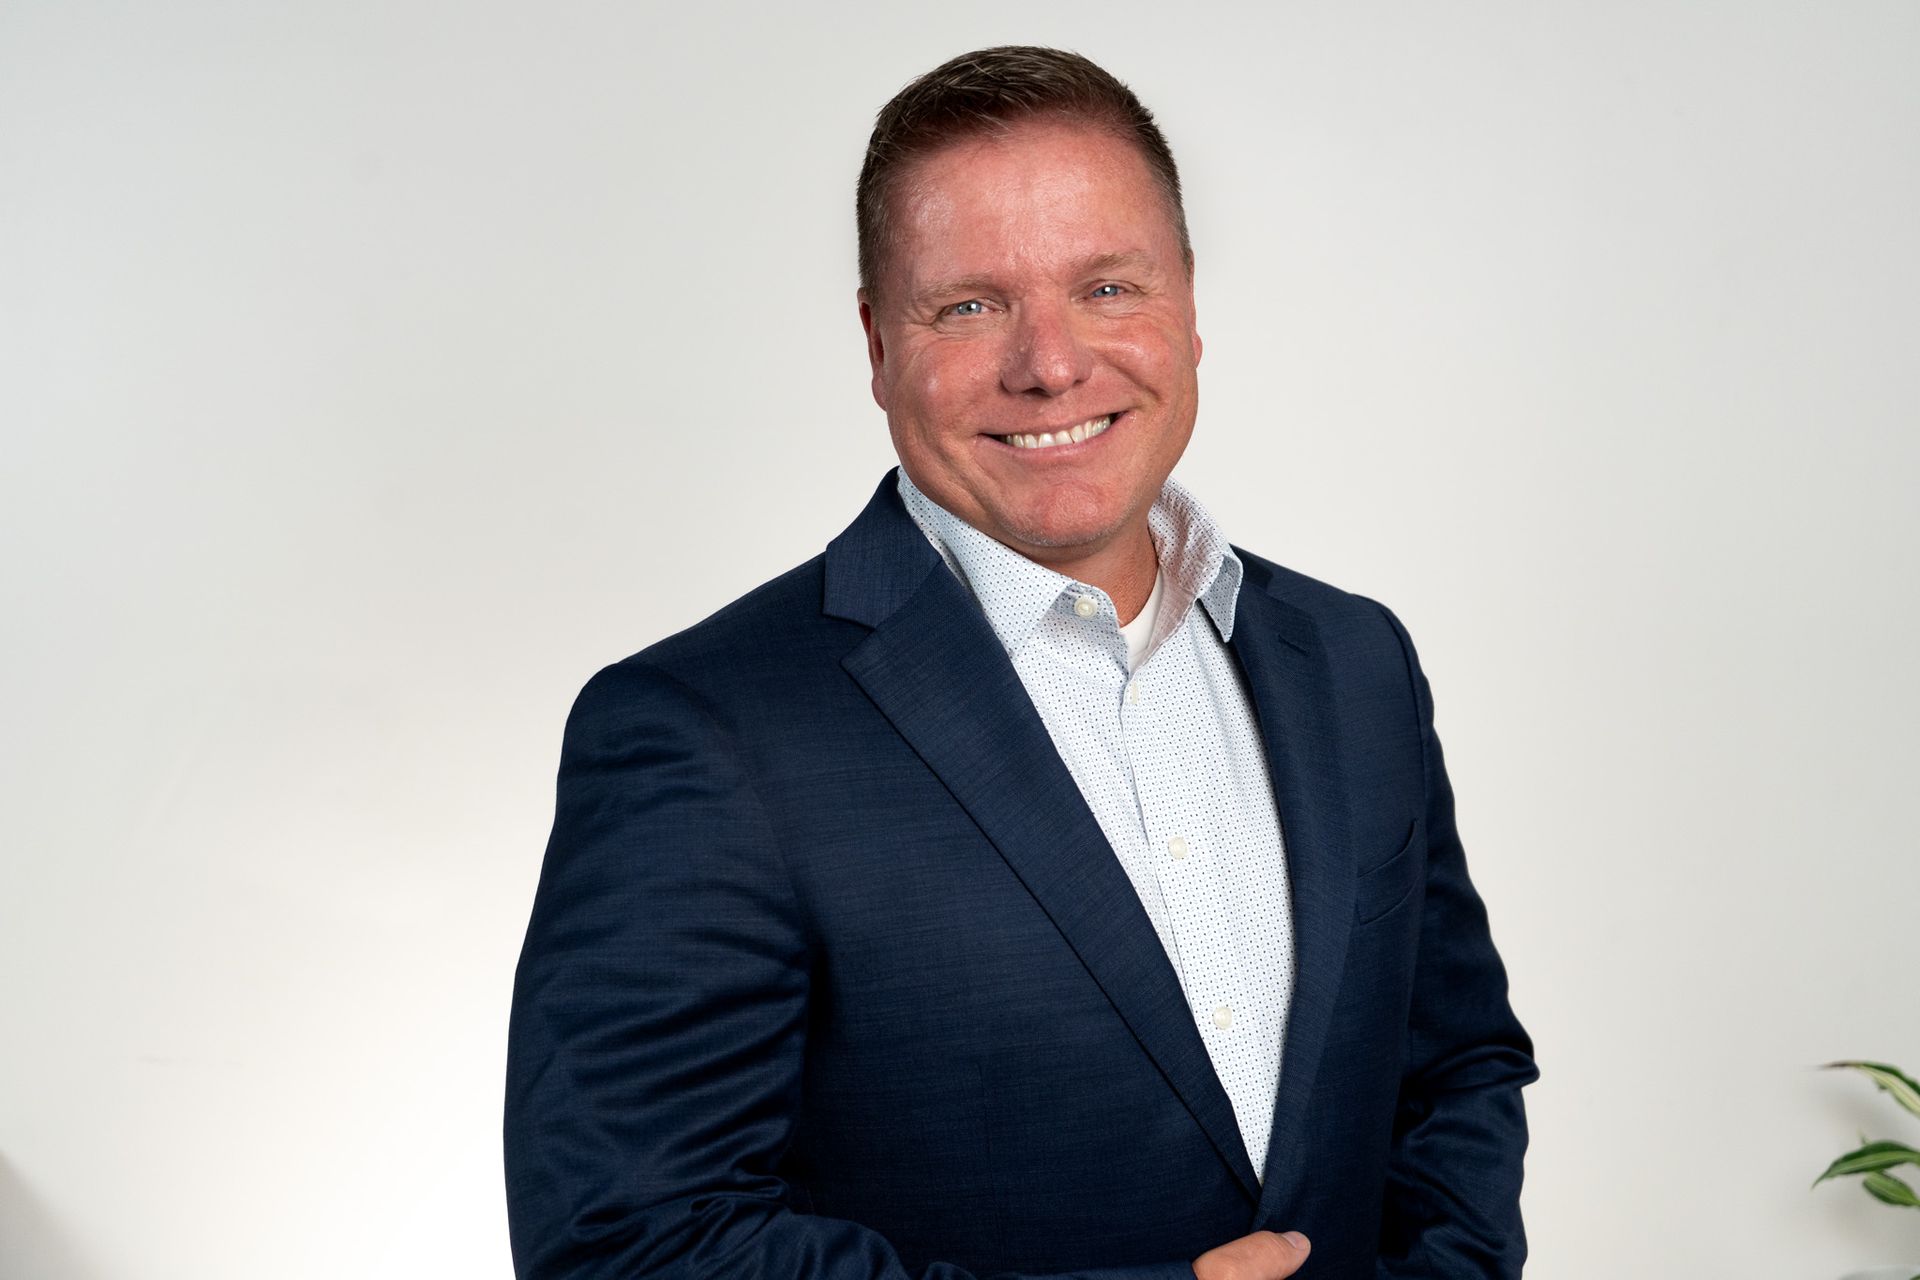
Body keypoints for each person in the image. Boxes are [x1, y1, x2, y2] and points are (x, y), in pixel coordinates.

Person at [505, 45, 1536, 1280]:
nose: (1051, 362)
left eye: (1109, 287)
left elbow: (1457, 1074)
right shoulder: (700, 730)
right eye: (972, 305)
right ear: (880, 342)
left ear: (1191, 306)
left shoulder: (1355, 663)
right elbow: (633, 1243)